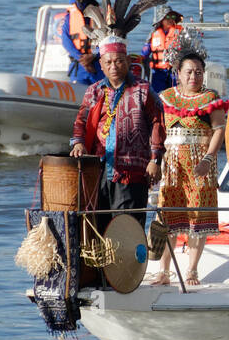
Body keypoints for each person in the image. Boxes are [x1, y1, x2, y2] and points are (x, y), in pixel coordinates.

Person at [154, 40, 227, 286]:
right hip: (172, 166)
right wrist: (155, 160)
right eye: (189, 72)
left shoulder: (210, 98)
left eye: (198, 72)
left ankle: (192, 270)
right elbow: (156, 132)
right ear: (178, 74)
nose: (193, 76)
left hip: (199, 165)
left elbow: (219, 130)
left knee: (198, 218)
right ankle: (163, 271)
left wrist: (208, 158)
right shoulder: (165, 98)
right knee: (167, 217)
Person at [70, 36, 165, 221]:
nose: (114, 66)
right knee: (98, 224)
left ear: (128, 61)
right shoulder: (94, 91)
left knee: (127, 226)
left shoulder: (143, 90)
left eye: (119, 61)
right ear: (101, 65)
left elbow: (158, 124)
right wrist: (78, 143)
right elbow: (80, 121)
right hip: (98, 168)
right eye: (109, 62)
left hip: (132, 170)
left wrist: (155, 159)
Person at [58, 0, 102, 84]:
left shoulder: (101, 17)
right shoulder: (69, 17)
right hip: (79, 66)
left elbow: (107, 41)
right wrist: (82, 59)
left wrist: (93, 56)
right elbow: (66, 42)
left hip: (98, 65)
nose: (81, 2)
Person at [142, 10, 183, 94]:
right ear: (160, 19)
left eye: (173, 17)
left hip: (174, 71)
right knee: (157, 95)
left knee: (175, 94)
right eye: (167, 17)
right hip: (157, 72)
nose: (170, 19)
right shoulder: (153, 34)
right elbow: (144, 54)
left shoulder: (180, 32)